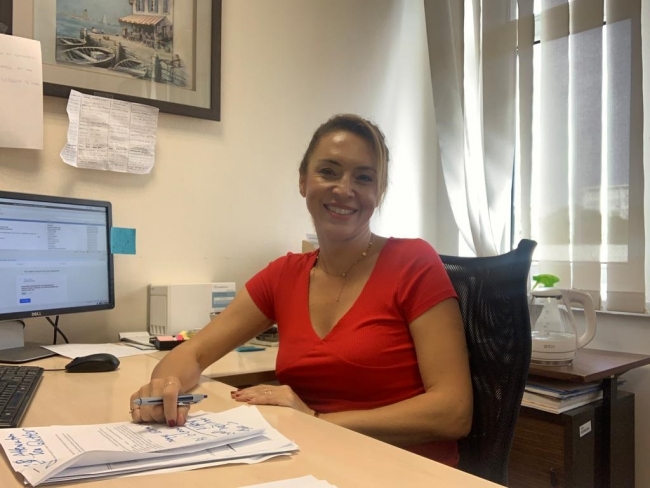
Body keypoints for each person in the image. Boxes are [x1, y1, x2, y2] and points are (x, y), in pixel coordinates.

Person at [129, 114, 473, 467]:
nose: (344, 189)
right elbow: (195, 352)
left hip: (405, 471)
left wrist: (315, 420)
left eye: (364, 177)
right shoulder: (284, 275)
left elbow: (453, 412)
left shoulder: (413, 263)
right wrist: (165, 386)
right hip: (312, 463)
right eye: (328, 171)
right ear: (303, 180)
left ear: (379, 191)